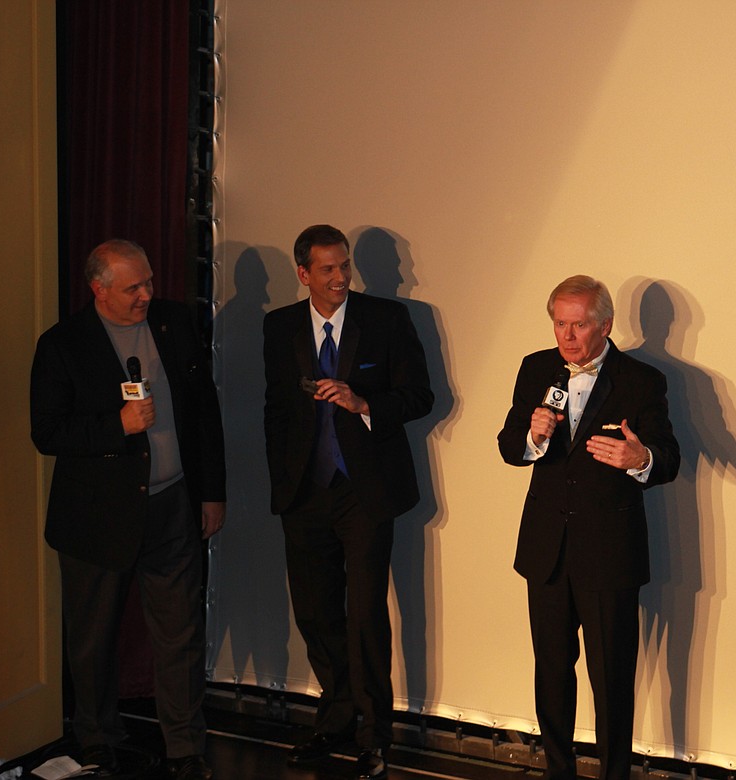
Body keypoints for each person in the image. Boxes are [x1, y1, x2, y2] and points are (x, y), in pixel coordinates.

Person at [30, 239, 226, 780]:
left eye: (148, 283)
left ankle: (184, 747)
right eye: (132, 287)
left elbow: (202, 408)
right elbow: (46, 431)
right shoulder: (63, 345)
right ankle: (96, 741)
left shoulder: (172, 323)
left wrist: (212, 492)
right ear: (98, 289)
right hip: (97, 517)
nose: (146, 294)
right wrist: (116, 425)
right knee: (92, 638)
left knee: (181, 633)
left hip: (172, 506)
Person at [262, 224, 433, 777]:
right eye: (328, 270)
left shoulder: (385, 320)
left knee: (364, 616)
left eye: (345, 266)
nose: (340, 279)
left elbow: (420, 396)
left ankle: (373, 734)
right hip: (305, 494)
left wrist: (362, 402)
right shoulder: (279, 327)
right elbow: (276, 411)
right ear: (303, 274)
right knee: (316, 614)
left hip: (364, 491)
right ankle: (332, 719)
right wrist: (283, 482)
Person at [497, 275, 680, 780]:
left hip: (608, 554)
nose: (568, 336)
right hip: (546, 552)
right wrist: (532, 437)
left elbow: (668, 457)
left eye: (579, 325)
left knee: (611, 679)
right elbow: (509, 444)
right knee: (552, 674)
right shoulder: (536, 368)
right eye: (560, 324)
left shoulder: (641, 380)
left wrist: (639, 457)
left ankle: (614, 775)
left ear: (605, 325)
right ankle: (560, 771)